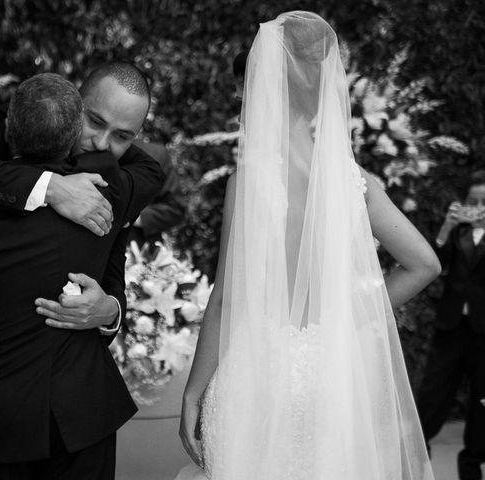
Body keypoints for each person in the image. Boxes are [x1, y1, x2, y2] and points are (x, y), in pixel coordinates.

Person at [176, 12, 440, 480]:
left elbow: (227, 297)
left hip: (257, 376)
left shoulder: (248, 184)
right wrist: (348, 313)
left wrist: (193, 392)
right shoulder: (355, 182)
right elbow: (423, 265)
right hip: (330, 379)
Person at [0, 65, 164, 480]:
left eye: (123, 136)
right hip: (4, 403)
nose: (103, 144)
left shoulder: (112, 181)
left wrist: (111, 308)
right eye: (95, 122)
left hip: (58, 412)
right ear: (73, 106)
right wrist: (50, 186)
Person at [417, 171, 485, 480]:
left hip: (484, 334)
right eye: (473, 201)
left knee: (481, 407)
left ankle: (471, 468)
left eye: (484, 202)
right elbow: (433, 263)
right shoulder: (456, 233)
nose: (479, 207)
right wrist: (447, 225)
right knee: (432, 395)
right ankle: (417, 461)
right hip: (452, 327)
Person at [130, 140, 185, 248]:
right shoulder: (89, 147)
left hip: (137, 250)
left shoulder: (155, 154)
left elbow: (175, 208)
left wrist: (133, 216)